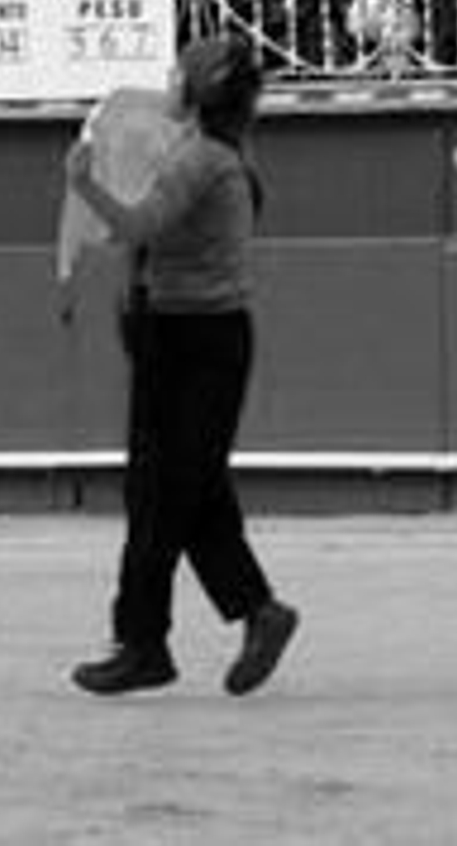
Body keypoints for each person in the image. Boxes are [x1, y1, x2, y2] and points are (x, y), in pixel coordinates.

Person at [64, 37, 299, 697]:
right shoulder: (216, 157)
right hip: (195, 336)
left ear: (195, 92)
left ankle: (145, 644)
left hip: (189, 340)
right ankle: (255, 612)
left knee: (163, 496)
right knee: (188, 492)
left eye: (178, 74)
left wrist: (83, 185)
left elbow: (137, 229)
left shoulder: (198, 160)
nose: (168, 79)